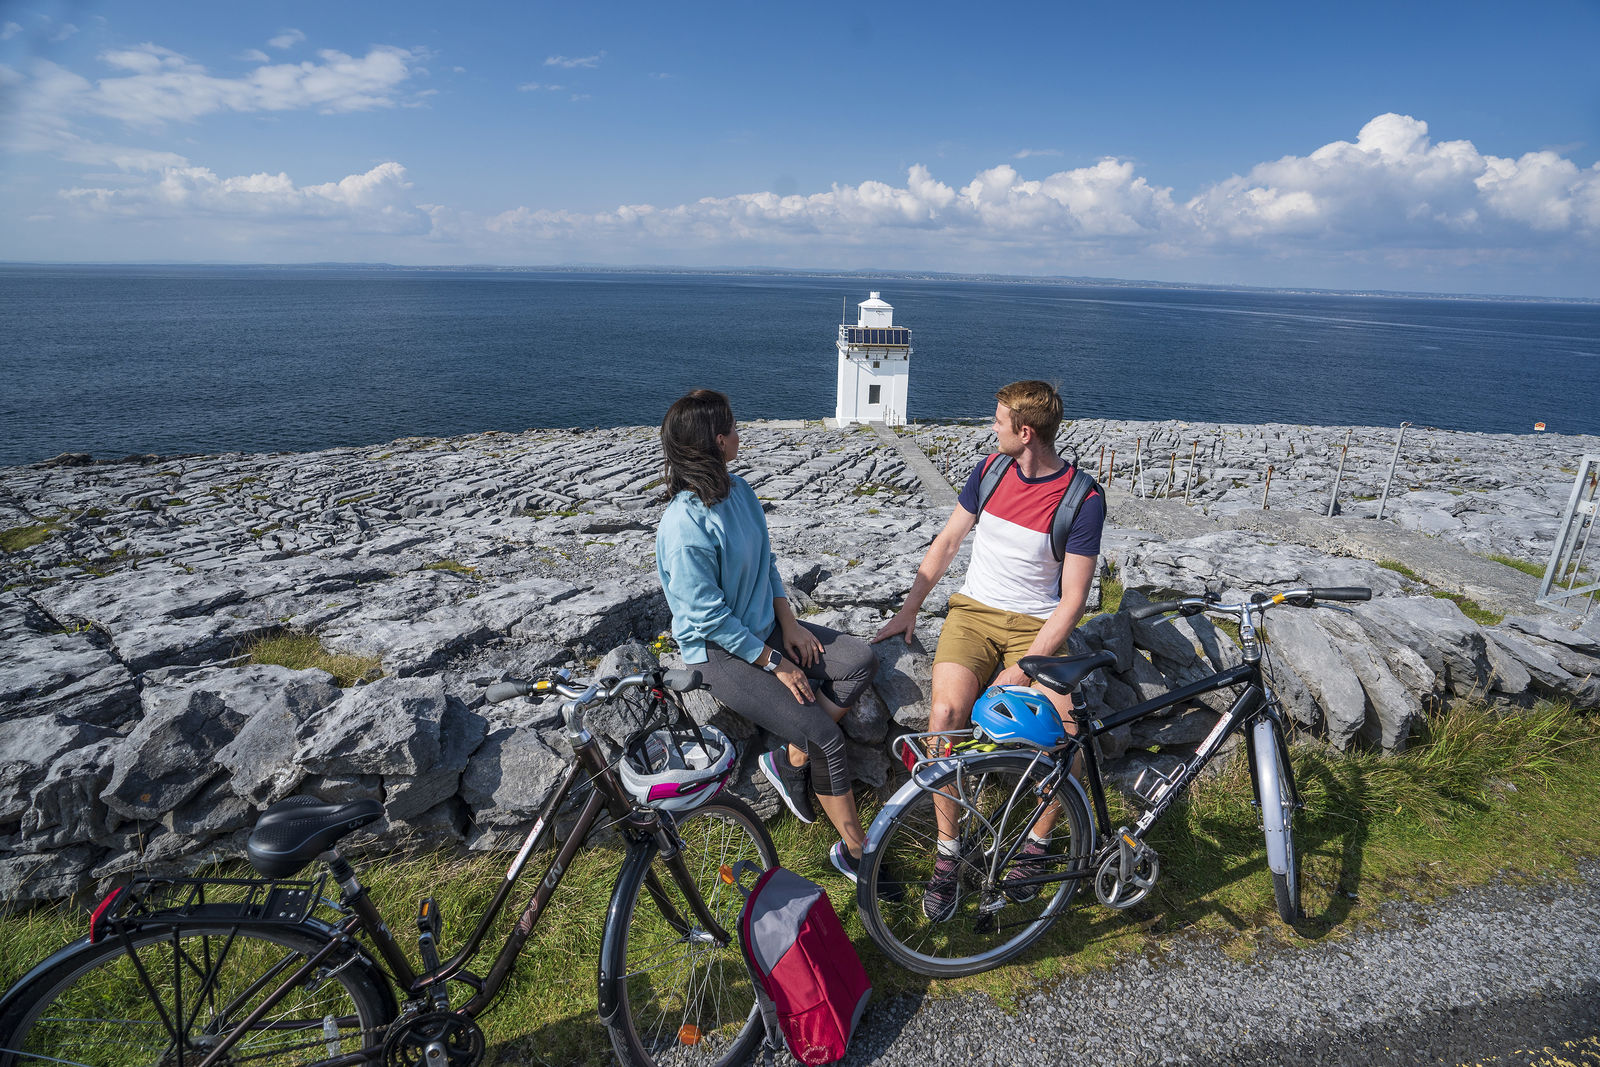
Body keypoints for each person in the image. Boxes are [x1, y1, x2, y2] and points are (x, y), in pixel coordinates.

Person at [873, 379, 1105, 920]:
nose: (991, 427)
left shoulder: (1082, 499)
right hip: (973, 614)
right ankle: (949, 854)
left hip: (1036, 628)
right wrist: (910, 608)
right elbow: (949, 541)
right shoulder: (991, 470)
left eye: (998, 420)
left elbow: (1072, 601)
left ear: (1025, 433)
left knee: (1065, 731)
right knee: (945, 715)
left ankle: (1035, 847)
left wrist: (1024, 667)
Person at [655, 389, 880, 884]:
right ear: (717, 441)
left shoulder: (741, 493)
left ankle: (787, 759)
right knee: (827, 737)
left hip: (767, 630)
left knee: (859, 658)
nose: (741, 432)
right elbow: (708, 618)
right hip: (720, 653)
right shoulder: (684, 525)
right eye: (733, 426)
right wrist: (775, 662)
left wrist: (791, 624)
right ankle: (858, 855)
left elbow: (768, 566)